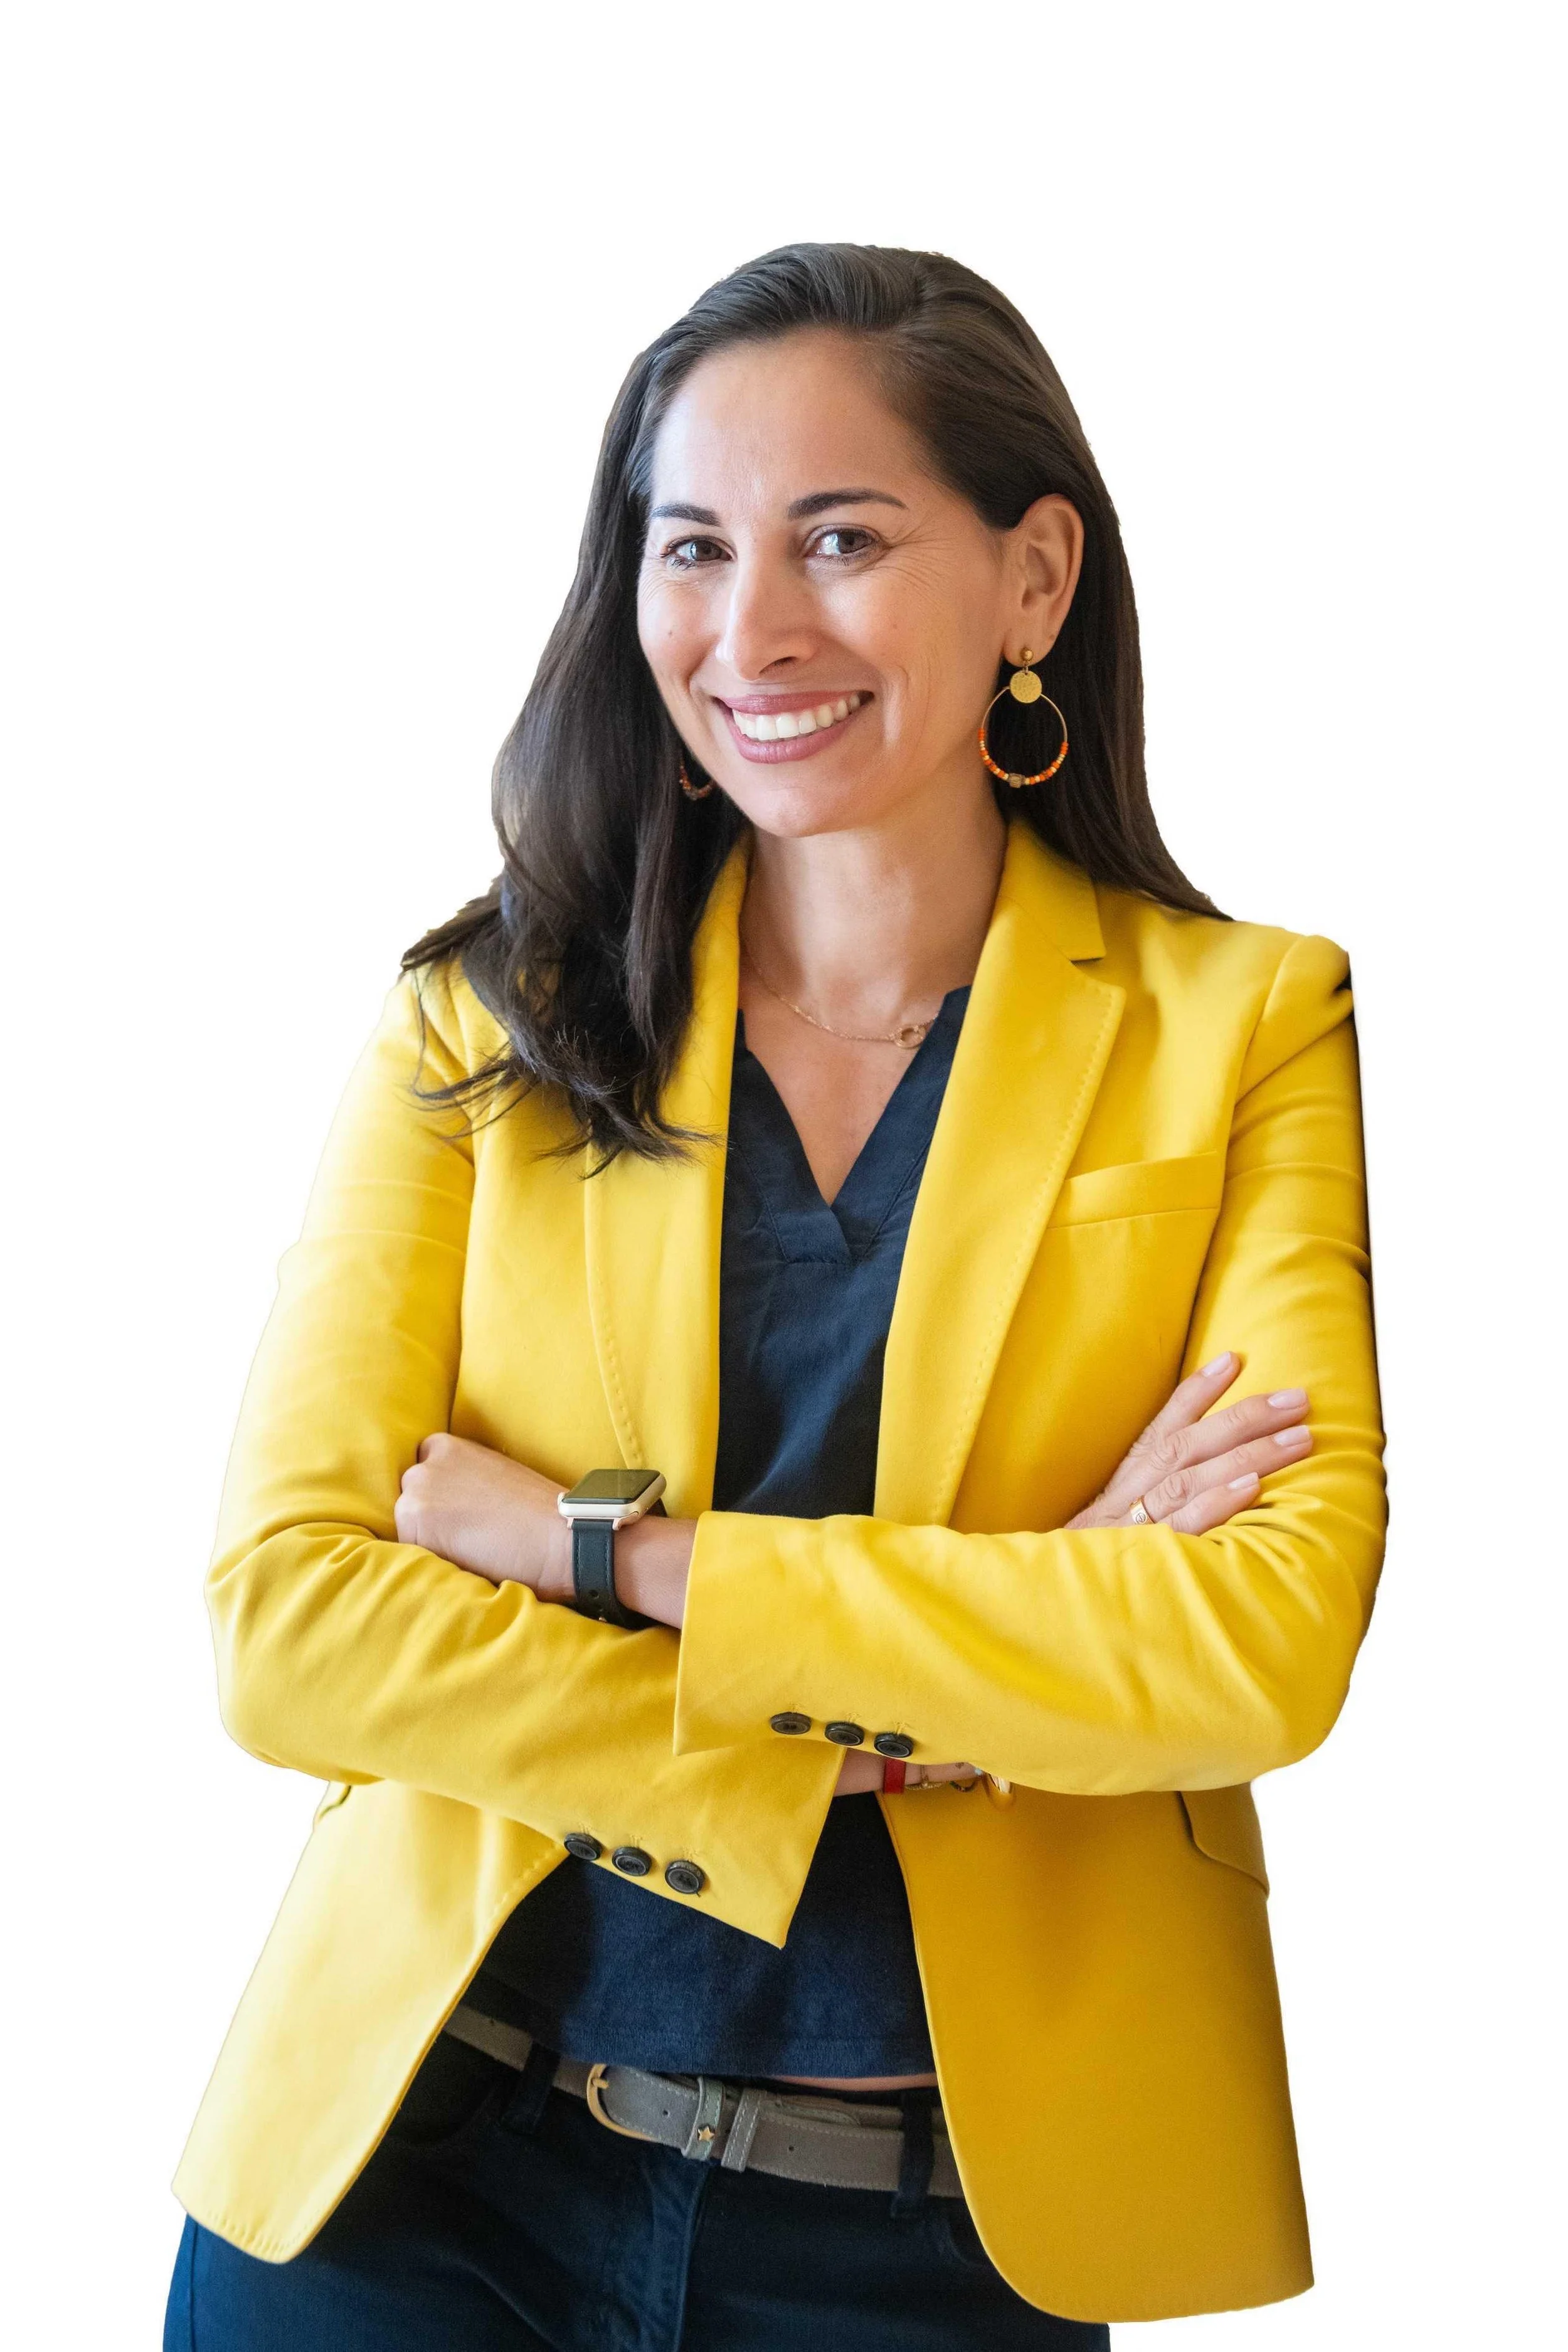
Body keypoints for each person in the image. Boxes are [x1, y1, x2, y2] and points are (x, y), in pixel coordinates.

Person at [164, 243, 1386, 2349]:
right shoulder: (482, 1019)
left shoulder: (1242, 1026)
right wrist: (889, 1725)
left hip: (922, 2242)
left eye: (840, 538)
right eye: (693, 547)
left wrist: (618, 1560)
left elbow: (1256, 1640)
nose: (751, 633)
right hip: (415, 2183)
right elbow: (287, 1623)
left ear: (1031, 577)